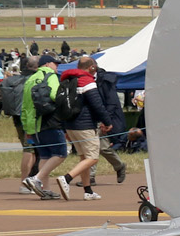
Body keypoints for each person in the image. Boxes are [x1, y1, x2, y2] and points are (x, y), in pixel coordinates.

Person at [59, 57, 120, 200]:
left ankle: (88, 191)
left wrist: (64, 127)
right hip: (85, 125)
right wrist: (107, 121)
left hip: (70, 125)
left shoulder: (67, 80)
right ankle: (66, 178)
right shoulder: (87, 81)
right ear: (91, 67)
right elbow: (97, 104)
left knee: (84, 157)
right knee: (92, 157)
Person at [21, 55, 67, 200]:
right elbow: (55, 95)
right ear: (47, 64)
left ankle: (45, 189)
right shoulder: (51, 75)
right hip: (49, 121)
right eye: (55, 64)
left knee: (45, 155)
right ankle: (36, 178)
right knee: (60, 153)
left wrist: (27, 127)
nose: (57, 67)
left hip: (33, 124)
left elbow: (24, 105)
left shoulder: (30, 80)